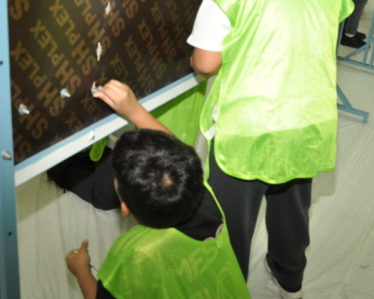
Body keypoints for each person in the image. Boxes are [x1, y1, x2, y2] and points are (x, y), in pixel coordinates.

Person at [186, 0, 353, 299]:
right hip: (306, 124)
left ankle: (227, 286)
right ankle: (289, 278)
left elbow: (205, 63)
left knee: (231, 221)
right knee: (292, 210)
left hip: (249, 127)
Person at [65, 80, 250, 299]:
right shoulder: (205, 202)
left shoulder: (136, 255)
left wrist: (81, 269)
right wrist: (133, 110)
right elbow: (177, 152)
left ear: (125, 207)